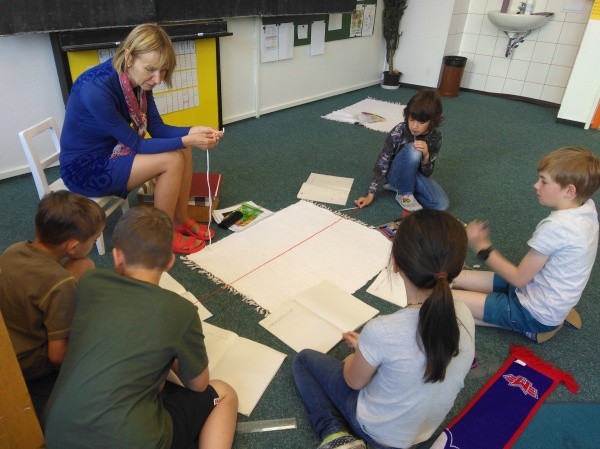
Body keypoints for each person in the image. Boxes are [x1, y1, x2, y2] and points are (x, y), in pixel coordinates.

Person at [44, 206, 238, 449]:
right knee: (225, 393)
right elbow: (198, 385)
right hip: (135, 440)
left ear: (117, 256)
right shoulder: (182, 311)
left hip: (56, 432)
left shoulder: (90, 282)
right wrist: (172, 350)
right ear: (170, 262)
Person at [292, 209, 475, 449]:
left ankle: (334, 434)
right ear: (458, 267)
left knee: (303, 360)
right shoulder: (465, 314)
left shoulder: (382, 330)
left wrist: (356, 356)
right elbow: (416, 356)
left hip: (379, 435)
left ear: (396, 264)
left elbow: (353, 381)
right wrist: (369, 348)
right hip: (423, 433)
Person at [59, 23, 222, 255]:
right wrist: (188, 139)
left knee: (183, 150)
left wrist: (194, 131)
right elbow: (137, 144)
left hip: (112, 151)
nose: (157, 79)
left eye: (163, 71)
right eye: (151, 69)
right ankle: (163, 234)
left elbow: (157, 127)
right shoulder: (94, 89)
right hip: (84, 169)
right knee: (173, 159)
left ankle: (179, 218)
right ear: (128, 57)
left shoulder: (136, 79)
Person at [452, 146, 600, 343]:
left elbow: (518, 278)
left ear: (570, 191)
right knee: (456, 277)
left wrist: (481, 246)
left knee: (440, 302)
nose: (536, 185)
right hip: (538, 289)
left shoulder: (557, 227)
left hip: (533, 312)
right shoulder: (587, 207)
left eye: (544, 181)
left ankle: (526, 327)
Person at [0, 191, 105, 420]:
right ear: (73, 246)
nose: (94, 243)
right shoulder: (60, 285)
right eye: (94, 239)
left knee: (82, 268)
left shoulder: (13, 250)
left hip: (8, 343)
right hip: (26, 363)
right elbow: (57, 356)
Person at [355, 89, 448, 212]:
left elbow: (426, 174)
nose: (414, 126)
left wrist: (426, 156)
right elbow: (383, 161)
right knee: (414, 149)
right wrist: (370, 195)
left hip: (414, 176)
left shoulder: (436, 137)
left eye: (421, 122)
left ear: (432, 121)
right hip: (394, 174)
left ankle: (401, 188)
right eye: (411, 119)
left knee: (441, 205)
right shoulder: (400, 129)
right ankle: (405, 193)